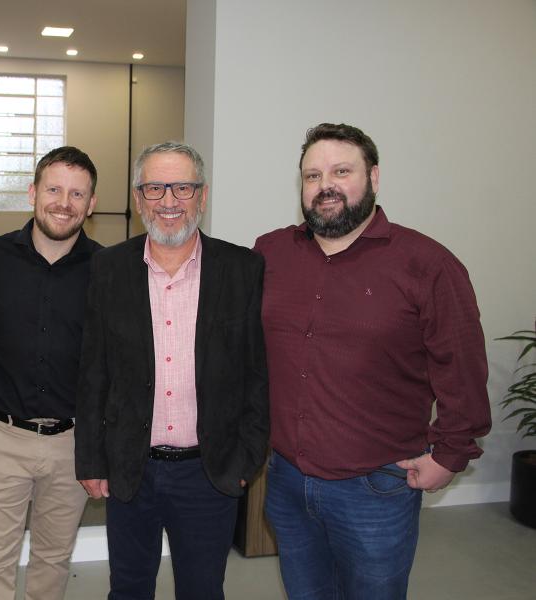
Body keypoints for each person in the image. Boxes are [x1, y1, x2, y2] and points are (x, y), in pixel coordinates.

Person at [254, 122, 491, 600]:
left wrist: (450, 454)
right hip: (285, 479)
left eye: (342, 171)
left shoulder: (427, 264)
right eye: (312, 175)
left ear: (374, 178)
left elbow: (461, 368)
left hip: (376, 488)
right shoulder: (270, 253)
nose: (326, 186)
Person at [75, 141, 269, 600]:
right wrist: (91, 459)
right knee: (128, 590)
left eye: (182, 188)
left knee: (203, 591)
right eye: (155, 188)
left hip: (209, 472)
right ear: (139, 198)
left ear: (202, 196)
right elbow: (93, 374)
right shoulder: (109, 268)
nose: (168, 202)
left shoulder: (242, 268)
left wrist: (247, 460)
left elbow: (256, 374)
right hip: (130, 469)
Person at [0, 146, 102, 600]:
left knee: (52, 564)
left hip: (71, 444)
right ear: (33, 192)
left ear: (91, 204)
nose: (63, 202)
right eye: (54, 189)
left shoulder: (108, 269)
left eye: (76, 193)